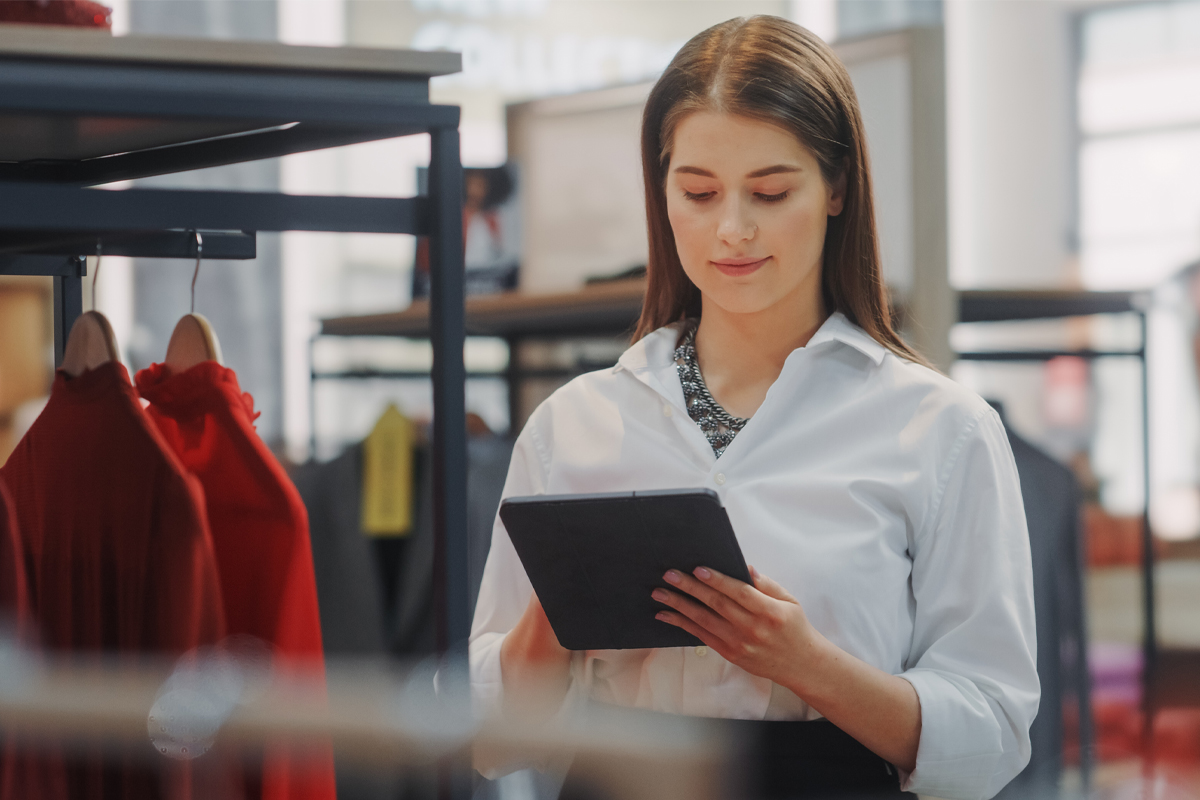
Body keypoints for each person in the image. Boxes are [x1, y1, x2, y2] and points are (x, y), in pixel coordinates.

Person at [470, 15, 1038, 800]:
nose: (731, 230)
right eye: (697, 192)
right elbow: (492, 741)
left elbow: (993, 735)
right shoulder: (575, 425)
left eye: (770, 192)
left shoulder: (939, 430)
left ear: (837, 187)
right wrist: (559, 607)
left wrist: (804, 663)